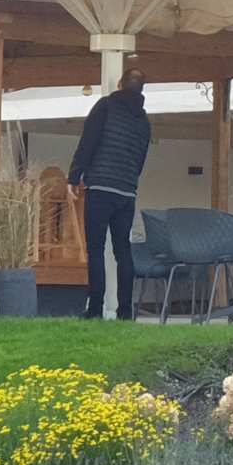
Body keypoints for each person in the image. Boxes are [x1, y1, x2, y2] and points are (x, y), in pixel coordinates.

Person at [68, 68, 153, 320]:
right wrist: (130, 181)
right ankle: (125, 311)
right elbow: (141, 158)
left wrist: (74, 176)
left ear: (119, 84)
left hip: (100, 187)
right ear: (142, 89)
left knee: (96, 249)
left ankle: (95, 308)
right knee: (122, 251)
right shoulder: (144, 120)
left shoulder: (105, 106)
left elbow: (88, 141)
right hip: (126, 192)